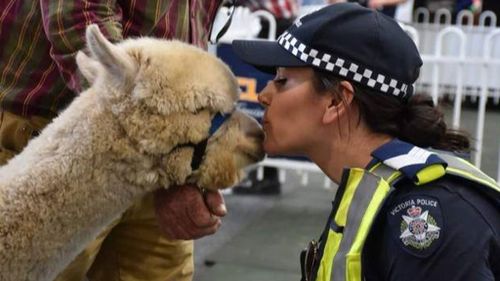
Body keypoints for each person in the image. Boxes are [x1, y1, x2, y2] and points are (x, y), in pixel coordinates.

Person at [233, 3, 500, 280]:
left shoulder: (424, 218)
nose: (263, 95)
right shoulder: (372, 191)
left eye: (281, 80)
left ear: (336, 101)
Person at [0, 1, 231, 280]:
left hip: (154, 147)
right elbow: (79, 17)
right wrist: (163, 147)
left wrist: (178, 156)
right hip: (63, 141)